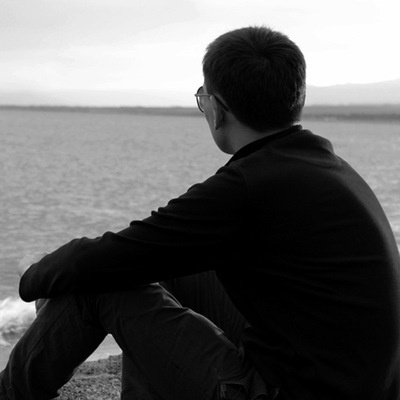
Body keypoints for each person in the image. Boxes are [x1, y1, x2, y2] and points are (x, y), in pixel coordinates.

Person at [1, 25, 400, 400]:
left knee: (100, 282)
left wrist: (35, 273)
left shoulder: (248, 186)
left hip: (288, 391)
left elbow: (107, 258)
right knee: (148, 266)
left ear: (217, 109)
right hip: (353, 383)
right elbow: (143, 250)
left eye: (202, 97)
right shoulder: (327, 168)